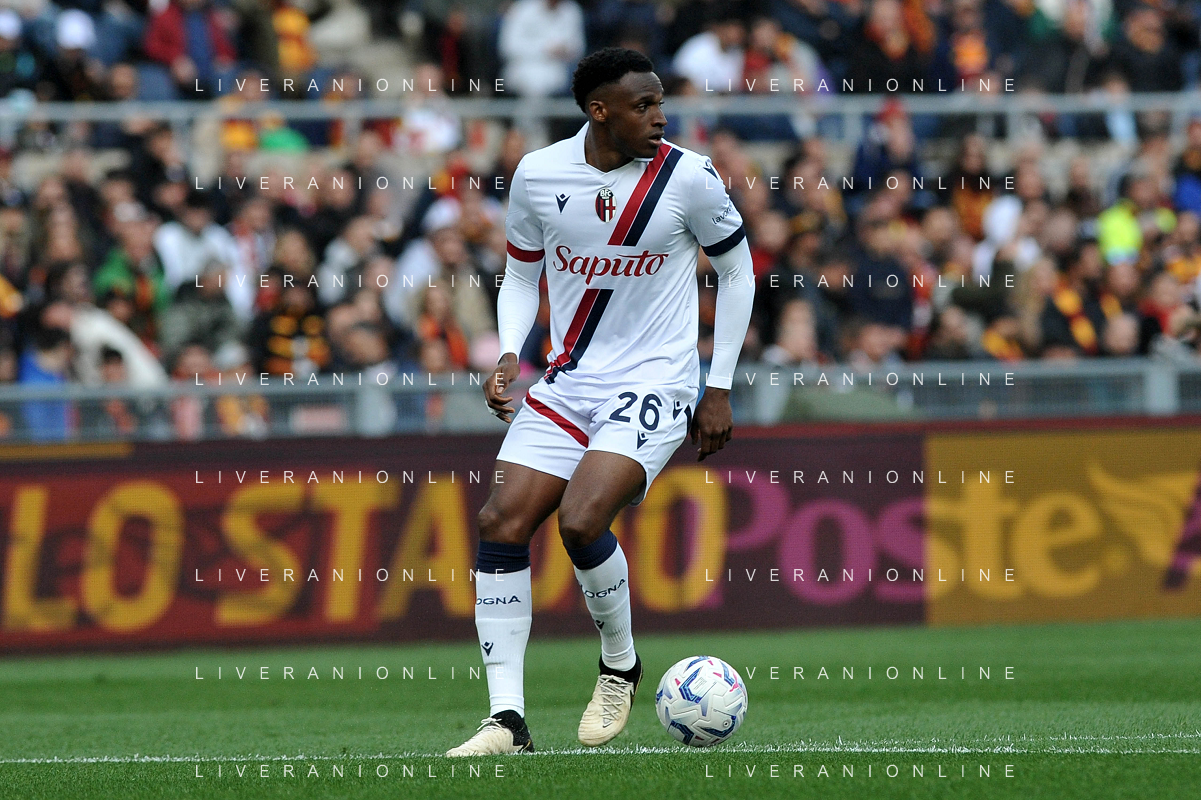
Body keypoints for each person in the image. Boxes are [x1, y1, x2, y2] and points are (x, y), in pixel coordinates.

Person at [447, 48, 755, 756]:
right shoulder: (538, 173)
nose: (660, 117)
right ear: (599, 112)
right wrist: (508, 351)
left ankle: (619, 665)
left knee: (582, 520)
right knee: (499, 520)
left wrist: (717, 385)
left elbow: (737, 273)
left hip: (656, 381)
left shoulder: (688, 177)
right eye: (643, 106)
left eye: (660, 103)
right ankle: (506, 720)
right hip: (568, 380)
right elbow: (520, 275)